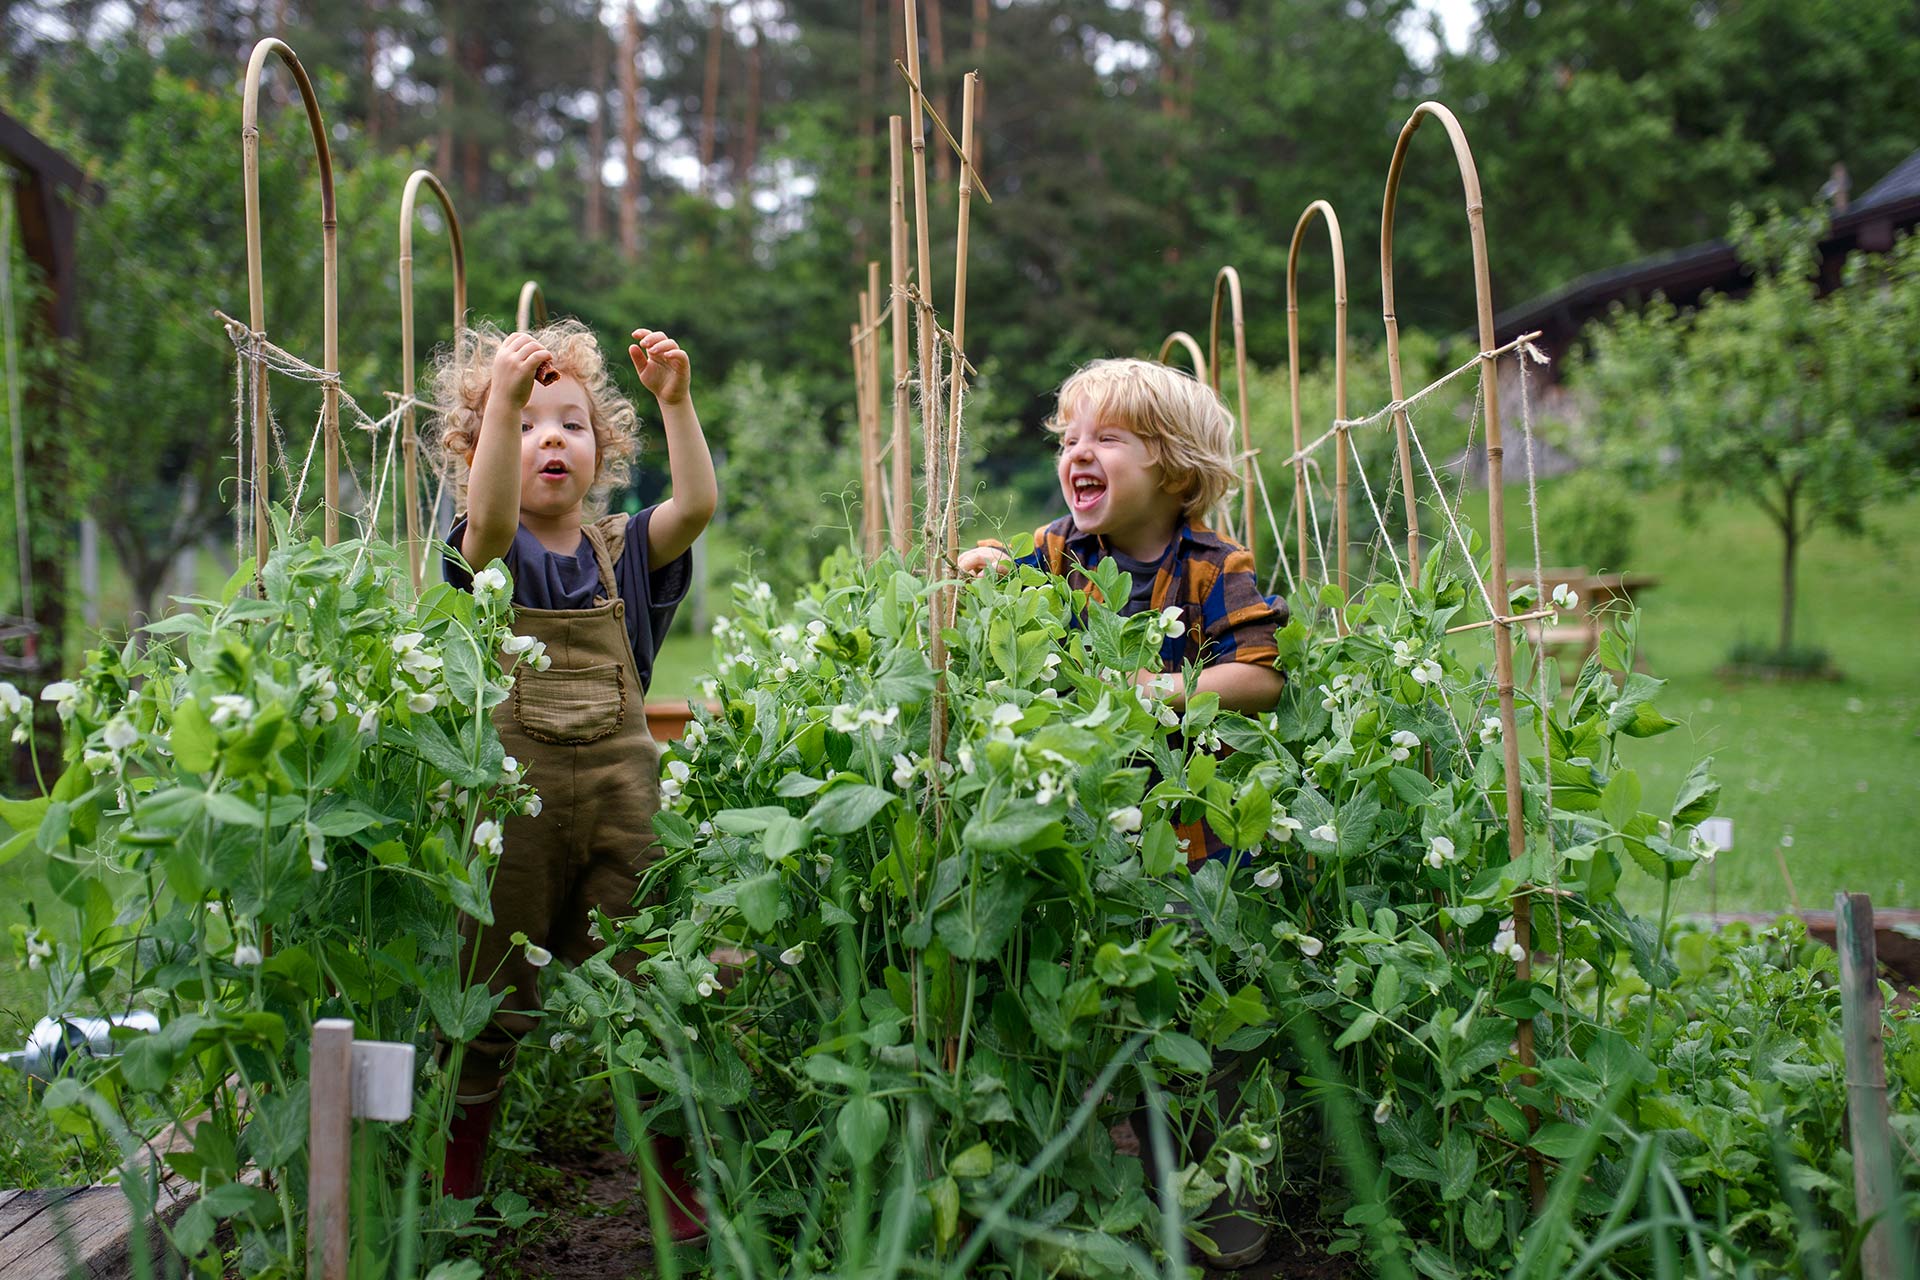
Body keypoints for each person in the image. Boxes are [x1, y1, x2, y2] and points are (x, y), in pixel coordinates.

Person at [959, 356, 1285, 1267]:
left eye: (1106, 438)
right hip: (1080, 831)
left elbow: (1257, 673)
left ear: (1175, 468)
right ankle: (1086, 1203)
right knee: (1085, 1009)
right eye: (1069, 440)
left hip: (1196, 836)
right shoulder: (1057, 556)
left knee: (1202, 1018)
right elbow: (997, 601)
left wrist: (1166, 687)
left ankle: (1221, 1205)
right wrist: (982, 577)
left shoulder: (1216, 564)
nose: (1078, 454)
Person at [429, 319, 716, 1239]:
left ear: (605, 452)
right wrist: (499, 405)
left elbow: (699, 506)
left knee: (654, 989)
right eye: (526, 424)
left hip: (625, 817)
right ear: (480, 456)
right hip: (513, 821)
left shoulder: (624, 551)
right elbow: (490, 524)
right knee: (487, 997)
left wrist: (677, 402)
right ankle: (456, 1186)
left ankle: (673, 1191)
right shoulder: (488, 552)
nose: (551, 437)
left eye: (574, 423)